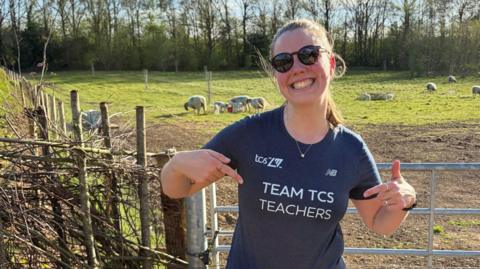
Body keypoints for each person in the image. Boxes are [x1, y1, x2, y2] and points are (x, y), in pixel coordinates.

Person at [161, 19, 417, 269]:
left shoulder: (351, 149)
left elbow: (379, 222)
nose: (297, 67)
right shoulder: (249, 134)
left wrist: (405, 202)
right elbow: (177, 188)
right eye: (283, 61)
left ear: (330, 62)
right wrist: (177, 164)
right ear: (276, 74)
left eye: (308, 54)